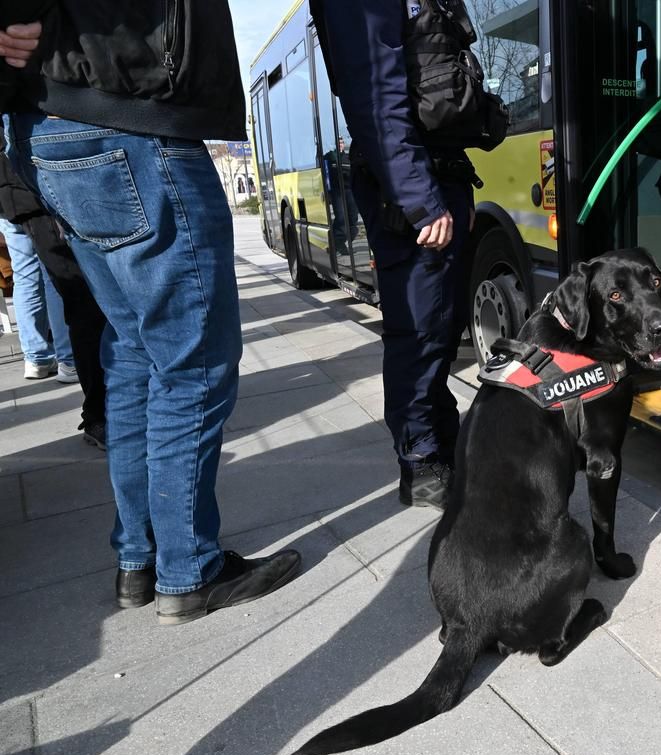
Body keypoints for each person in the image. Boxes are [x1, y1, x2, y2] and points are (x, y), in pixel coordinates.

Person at [2, 1, 300, 625]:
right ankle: (189, 569)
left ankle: (139, 559)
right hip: (129, 118)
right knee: (193, 364)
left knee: (135, 352)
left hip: (60, 123)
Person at [311, 0, 478, 509]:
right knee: (420, 331)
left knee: (443, 330)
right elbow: (375, 95)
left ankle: (443, 446)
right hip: (413, 185)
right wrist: (421, 200)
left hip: (441, 172)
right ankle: (421, 463)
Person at [0, 153, 107, 448]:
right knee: (81, 298)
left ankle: (43, 357)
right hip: (36, 184)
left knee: (36, 279)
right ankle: (98, 410)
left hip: (34, 184)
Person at [0, 215, 75, 382]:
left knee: (24, 275)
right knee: (53, 271)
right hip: (35, 206)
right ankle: (69, 359)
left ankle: (37, 359)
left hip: (7, 207)